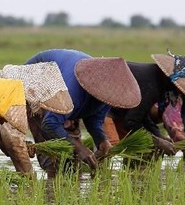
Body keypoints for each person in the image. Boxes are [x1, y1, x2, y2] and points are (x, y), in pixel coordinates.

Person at [25, 49, 140, 178]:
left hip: (65, 100)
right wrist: (80, 148)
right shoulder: (73, 91)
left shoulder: (108, 94)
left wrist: (102, 140)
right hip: (36, 85)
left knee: (74, 161)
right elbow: (49, 124)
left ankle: (69, 193)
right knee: (55, 160)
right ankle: (51, 191)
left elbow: (94, 120)